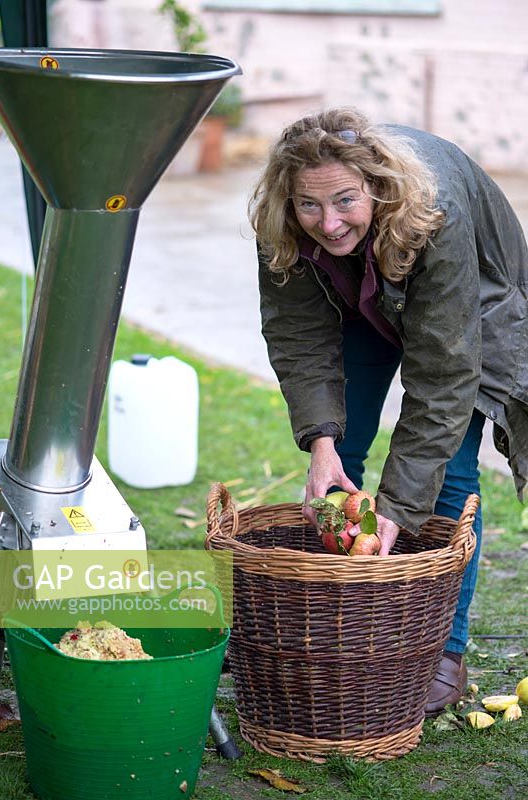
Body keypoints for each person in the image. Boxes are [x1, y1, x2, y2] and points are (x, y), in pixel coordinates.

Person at [249, 107, 528, 716]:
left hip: (464, 306)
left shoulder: (435, 213)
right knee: (338, 460)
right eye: (309, 206)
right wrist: (321, 442)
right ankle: (336, 615)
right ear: (288, 199)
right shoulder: (283, 224)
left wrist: (399, 507)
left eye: (345, 201)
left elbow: (442, 377)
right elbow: (298, 337)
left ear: (375, 186)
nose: (327, 222)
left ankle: (442, 650)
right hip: (360, 301)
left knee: (447, 471)